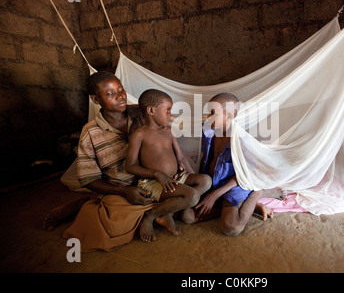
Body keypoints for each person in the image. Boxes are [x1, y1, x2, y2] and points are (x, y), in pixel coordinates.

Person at [59, 72, 176, 251]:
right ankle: (85, 204)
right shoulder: (90, 132)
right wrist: (124, 191)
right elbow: (88, 179)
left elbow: (167, 133)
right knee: (112, 226)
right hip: (123, 190)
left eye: (121, 90)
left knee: (190, 196)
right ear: (95, 99)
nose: (120, 96)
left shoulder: (142, 112)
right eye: (110, 93)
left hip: (154, 182)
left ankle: (153, 212)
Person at [125, 89, 211, 242]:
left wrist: (185, 172)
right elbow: (130, 166)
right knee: (192, 196)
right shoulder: (139, 135)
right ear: (151, 110)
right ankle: (151, 215)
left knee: (205, 180)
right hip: (154, 183)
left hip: (175, 179)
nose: (170, 114)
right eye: (168, 110)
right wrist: (158, 174)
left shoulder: (169, 131)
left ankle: (168, 212)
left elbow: (180, 157)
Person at [195, 93, 287, 236]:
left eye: (213, 113)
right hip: (213, 183)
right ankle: (240, 205)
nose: (208, 117)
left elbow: (246, 173)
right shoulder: (209, 131)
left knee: (231, 227)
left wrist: (214, 196)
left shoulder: (241, 140)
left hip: (233, 186)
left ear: (230, 117)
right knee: (188, 216)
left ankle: (258, 193)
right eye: (209, 112)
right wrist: (204, 188)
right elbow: (206, 158)